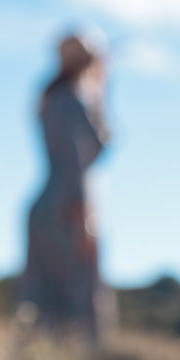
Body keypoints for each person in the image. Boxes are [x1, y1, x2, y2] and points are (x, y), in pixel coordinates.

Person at [19, 32, 115, 340]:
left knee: (44, 295)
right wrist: (81, 212)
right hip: (68, 204)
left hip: (48, 203)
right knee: (78, 295)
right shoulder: (71, 101)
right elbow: (83, 155)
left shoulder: (51, 97)